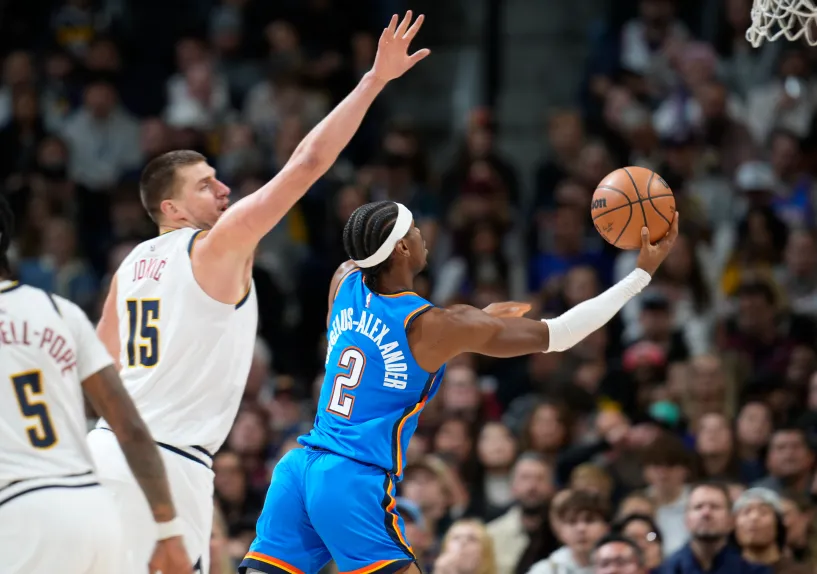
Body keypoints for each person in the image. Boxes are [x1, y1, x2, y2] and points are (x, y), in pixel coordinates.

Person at [88, 10, 431, 574]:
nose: (223, 189)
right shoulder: (213, 247)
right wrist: (374, 80)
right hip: (167, 463)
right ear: (171, 209)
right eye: (205, 185)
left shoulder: (129, 266)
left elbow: (100, 368)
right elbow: (307, 164)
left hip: (103, 454)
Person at [244, 193, 678, 574]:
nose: (424, 234)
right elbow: (561, 333)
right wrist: (640, 274)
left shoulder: (345, 279)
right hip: (350, 475)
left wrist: (469, 327)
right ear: (399, 248)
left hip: (299, 465)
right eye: (414, 229)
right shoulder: (438, 326)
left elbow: (359, 343)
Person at [0, 195, 190, 573]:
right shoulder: (60, 311)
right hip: (94, 511)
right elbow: (132, 429)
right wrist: (168, 531)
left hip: (20, 513)